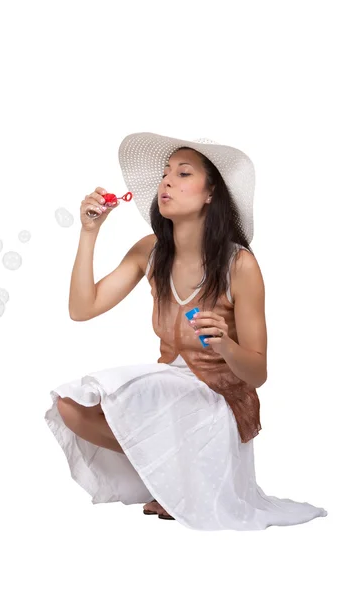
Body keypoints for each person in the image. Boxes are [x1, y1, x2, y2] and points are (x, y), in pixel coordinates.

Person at [44, 132, 327, 530]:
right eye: (164, 174)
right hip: (169, 394)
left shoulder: (239, 265)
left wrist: (226, 344)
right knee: (71, 407)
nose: (167, 182)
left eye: (183, 173)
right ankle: (176, 481)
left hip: (218, 403)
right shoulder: (151, 250)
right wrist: (89, 232)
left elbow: (258, 374)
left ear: (211, 194)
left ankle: (181, 486)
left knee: (145, 391)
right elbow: (82, 308)